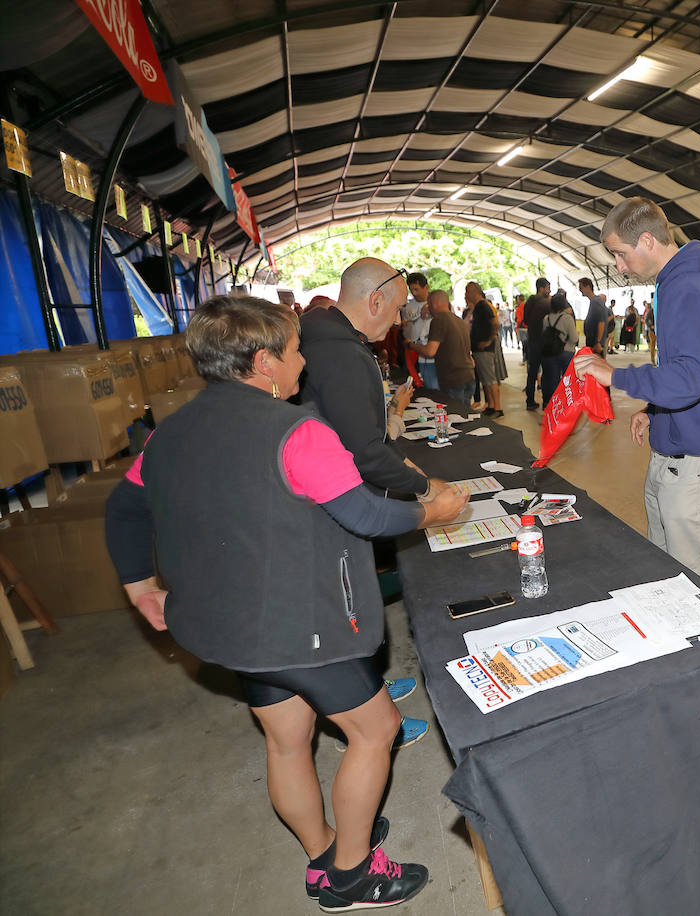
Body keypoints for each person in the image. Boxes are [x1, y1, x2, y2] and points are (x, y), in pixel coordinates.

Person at [105, 296, 469, 911]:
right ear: (262, 361)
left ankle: (325, 851)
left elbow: (124, 508)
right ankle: (354, 874)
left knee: (285, 740)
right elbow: (363, 513)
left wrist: (140, 585)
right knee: (374, 731)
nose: (304, 362)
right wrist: (432, 510)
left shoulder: (171, 434)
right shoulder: (299, 432)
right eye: (295, 349)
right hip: (300, 627)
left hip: (224, 628)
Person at [573, 197, 700, 595]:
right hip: (678, 450)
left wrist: (616, 375)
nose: (619, 266)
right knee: (672, 566)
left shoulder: (688, 289)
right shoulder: (675, 285)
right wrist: (654, 408)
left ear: (647, 240)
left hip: (698, 460)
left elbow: (690, 379)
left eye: (620, 254)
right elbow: (687, 365)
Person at [298, 259, 431, 499]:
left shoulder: (318, 330)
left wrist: (404, 463)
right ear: (376, 301)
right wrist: (425, 488)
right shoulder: (343, 352)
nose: (398, 321)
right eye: (397, 308)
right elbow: (364, 452)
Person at [411, 289, 476, 413]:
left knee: (455, 416)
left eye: (429, 305)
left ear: (434, 303)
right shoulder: (459, 321)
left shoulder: (439, 320)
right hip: (468, 375)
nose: (429, 308)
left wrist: (411, 345)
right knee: (465, 415)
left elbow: (430, 351)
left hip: (453, 378)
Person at [466, 282, 505, 418]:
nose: (466, 294)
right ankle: (491, 406)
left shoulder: (483, 306)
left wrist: (489, 340)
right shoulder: (478, 307)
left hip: (485, 349)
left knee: (490, 379)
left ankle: (497, 408)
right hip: (479, 348)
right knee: (485, 380)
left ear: (473, 292)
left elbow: (495, 324)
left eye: (467, 291)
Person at [540, 291, 578, 406]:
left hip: (550, 352)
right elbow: (574, 338)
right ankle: (565, 404)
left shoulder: (546, 319)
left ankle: (549, 404)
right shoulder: (567, 318)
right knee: (566, 380)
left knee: (550, 379)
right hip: (566, 352)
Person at [523, 278, 552, 410]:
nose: (549, 291)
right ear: (541, 288)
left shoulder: (529, 301)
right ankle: (546, 402)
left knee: (532, 372)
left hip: (532, 340)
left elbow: (525, 320)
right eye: (547, 288)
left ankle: (530, 400)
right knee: (546, 372)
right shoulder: (547, 303)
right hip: (545, 342)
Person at [580, 278, 609, 355]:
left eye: (581, 287)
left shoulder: (595, 302)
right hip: (593, 344)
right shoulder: (594, 301)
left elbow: (601, 322)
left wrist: (598, 342)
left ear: (588, 287)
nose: (580, 290)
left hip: (596, 345)